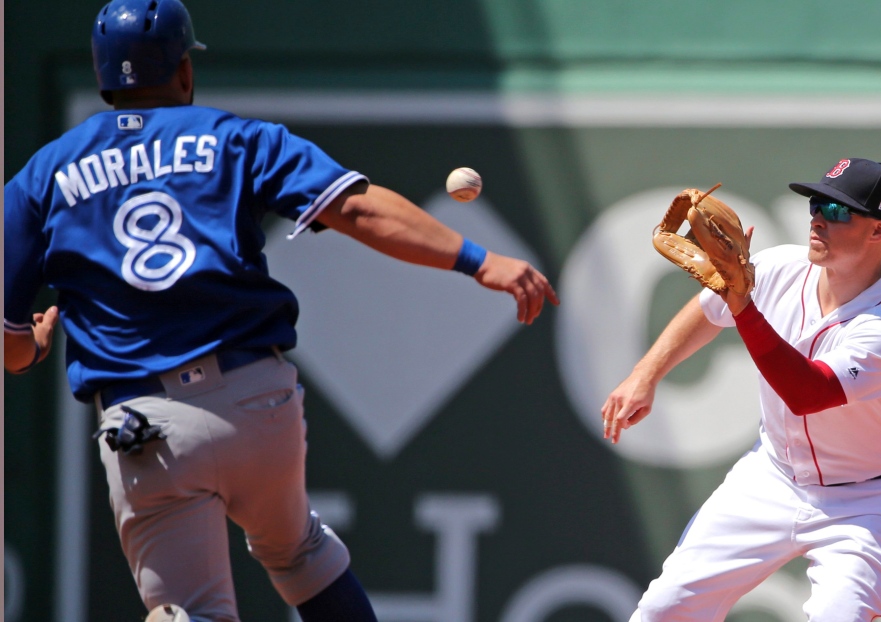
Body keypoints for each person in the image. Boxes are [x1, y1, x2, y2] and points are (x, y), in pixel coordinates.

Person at [3, 1, 558, 621]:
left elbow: (7, 342)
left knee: (193, 611)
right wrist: (477, 259)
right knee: (301, 554)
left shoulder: (41, 179)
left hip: (148, 428)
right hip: (256, 405)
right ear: (183, 71)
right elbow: (360, 210)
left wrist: (34, 347)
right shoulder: (236, 140)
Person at [602, 158, 881, 621]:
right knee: (663, 610)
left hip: (864, 503)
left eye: (838, 211)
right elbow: (708, 311)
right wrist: (645, 374)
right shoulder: (778, 266)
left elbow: (807, 392)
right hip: (771, 476)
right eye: (817, 203)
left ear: (878, 232)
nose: (818, 217)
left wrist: (744, 307)